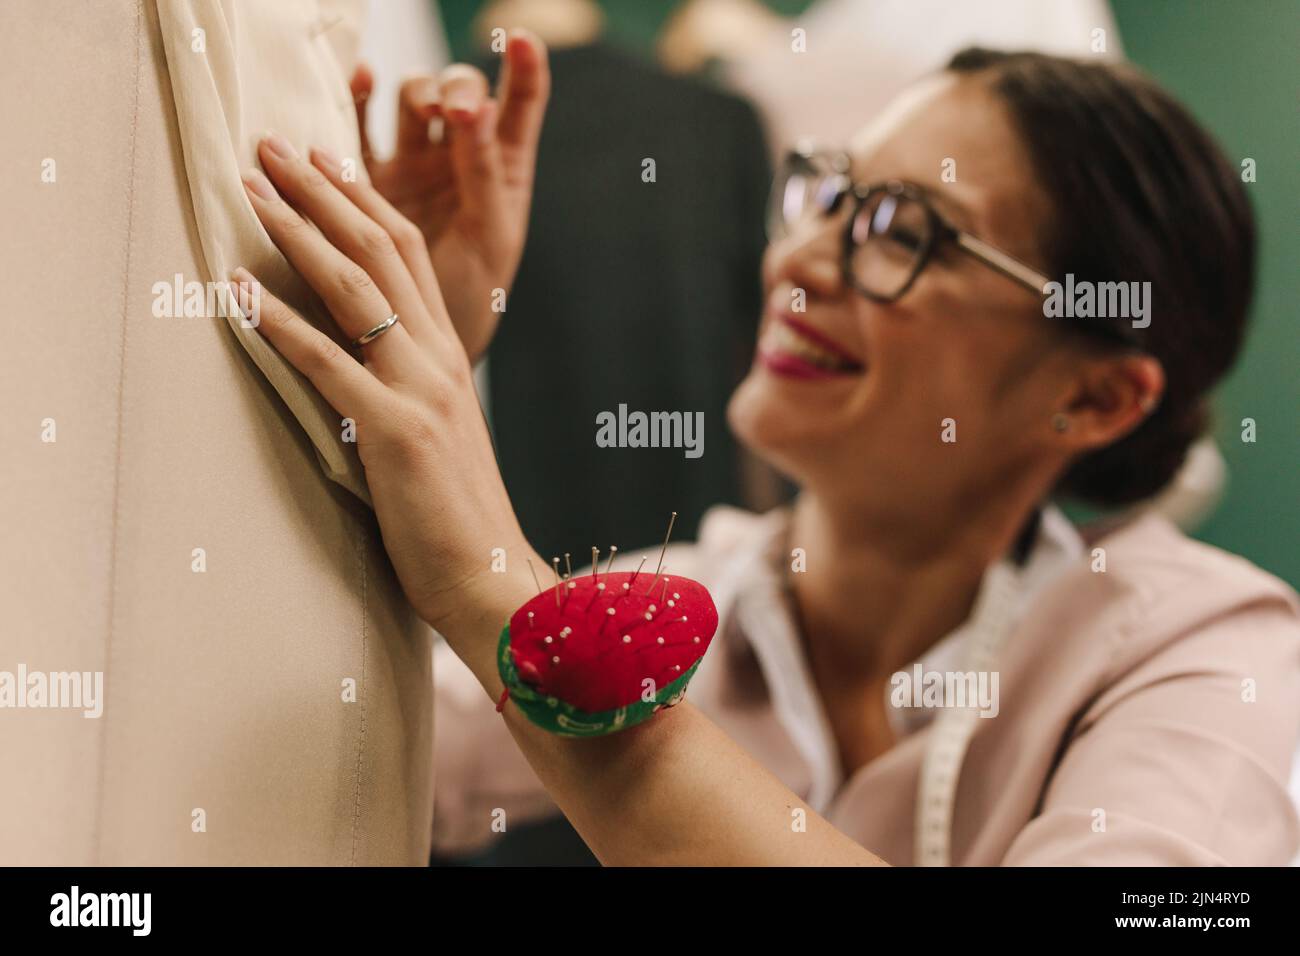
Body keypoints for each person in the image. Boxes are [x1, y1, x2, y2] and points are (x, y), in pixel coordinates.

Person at [228, 47, 1299, 865]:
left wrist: (502, 595)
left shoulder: (1209, 652)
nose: (796, 258)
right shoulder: (693, 598)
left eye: (900, 227)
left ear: (1094, 392)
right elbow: (286, 760)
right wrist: (403, 369)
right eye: (824, 194)